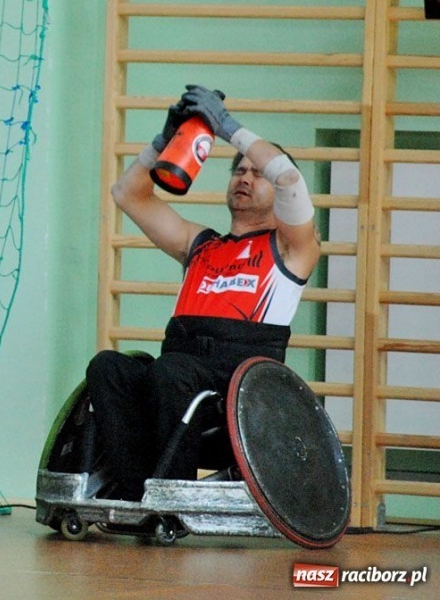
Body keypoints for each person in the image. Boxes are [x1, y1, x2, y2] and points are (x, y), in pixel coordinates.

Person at [87, 85, 321, 502]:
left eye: (255, 171)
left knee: (172, 371)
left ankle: (173, 500)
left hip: (237, 393)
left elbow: (287, 178)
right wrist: (166, 138)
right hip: (176, 374)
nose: (245, 177)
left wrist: (226, 127)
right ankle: (132, 495)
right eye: (237, 170)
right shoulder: (200, 244)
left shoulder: (290, 249)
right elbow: (127, 193)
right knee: (109, 367)